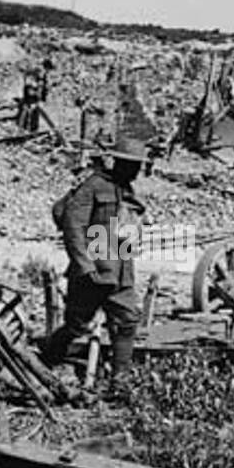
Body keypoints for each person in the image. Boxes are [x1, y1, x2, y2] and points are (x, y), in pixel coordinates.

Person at [44, 134, 149, 389]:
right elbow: (73, 225)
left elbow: (125, 229)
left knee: (127, 322)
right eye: (132, 165)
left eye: (138, 165)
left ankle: (120, 381)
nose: (136, 170)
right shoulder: (93, 186)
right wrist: (85, 265)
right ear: (119, 163)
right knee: (76, 325)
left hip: (121, 271)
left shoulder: (127, 190)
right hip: (93, 273)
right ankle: (45, 361)